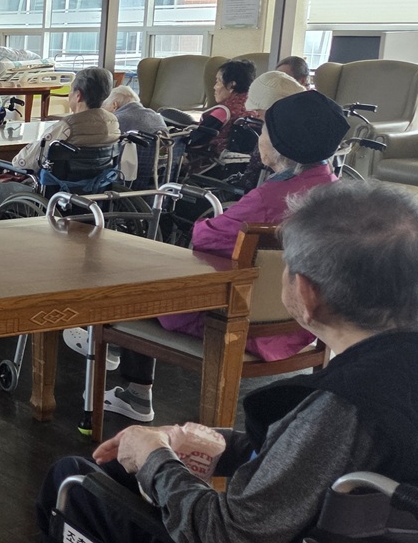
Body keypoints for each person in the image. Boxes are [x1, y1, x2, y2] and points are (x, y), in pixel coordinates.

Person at [39, 180, 418, 543]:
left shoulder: (347, 407)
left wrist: (155, 461)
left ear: (306, 293)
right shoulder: (401, 371)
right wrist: (214, 446)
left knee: (73, 480)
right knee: (119, 472)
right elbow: (309, 464)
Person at [86, 90, 349, 429]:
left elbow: (205, 237)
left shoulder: (268, 199)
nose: (260, 137)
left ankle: (135, 391)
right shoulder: (336, 193)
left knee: (140, 280)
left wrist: (204, 223)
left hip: (233, 322)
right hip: (301, 326)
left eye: (264, 129)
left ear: (282, 145)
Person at [11, 66, 121, 190]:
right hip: (98, 189)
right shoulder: (113, 122)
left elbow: (26, 162)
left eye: (70, 91)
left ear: (78, 95)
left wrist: (14, 162)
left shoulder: (68, 126)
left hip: (60, 190)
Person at [182, 58, 259, 170]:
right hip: (246, 165)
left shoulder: (223, 112)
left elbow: (197, 140)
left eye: (218, 81)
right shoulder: (255, 108)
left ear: (231, 85)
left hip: (214, 166)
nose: (214, 87)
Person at [106, 85, 167, 187]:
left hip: (128, 179)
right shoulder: (157, 117)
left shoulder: (117, 119)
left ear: (114, 105)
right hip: (158, 178)